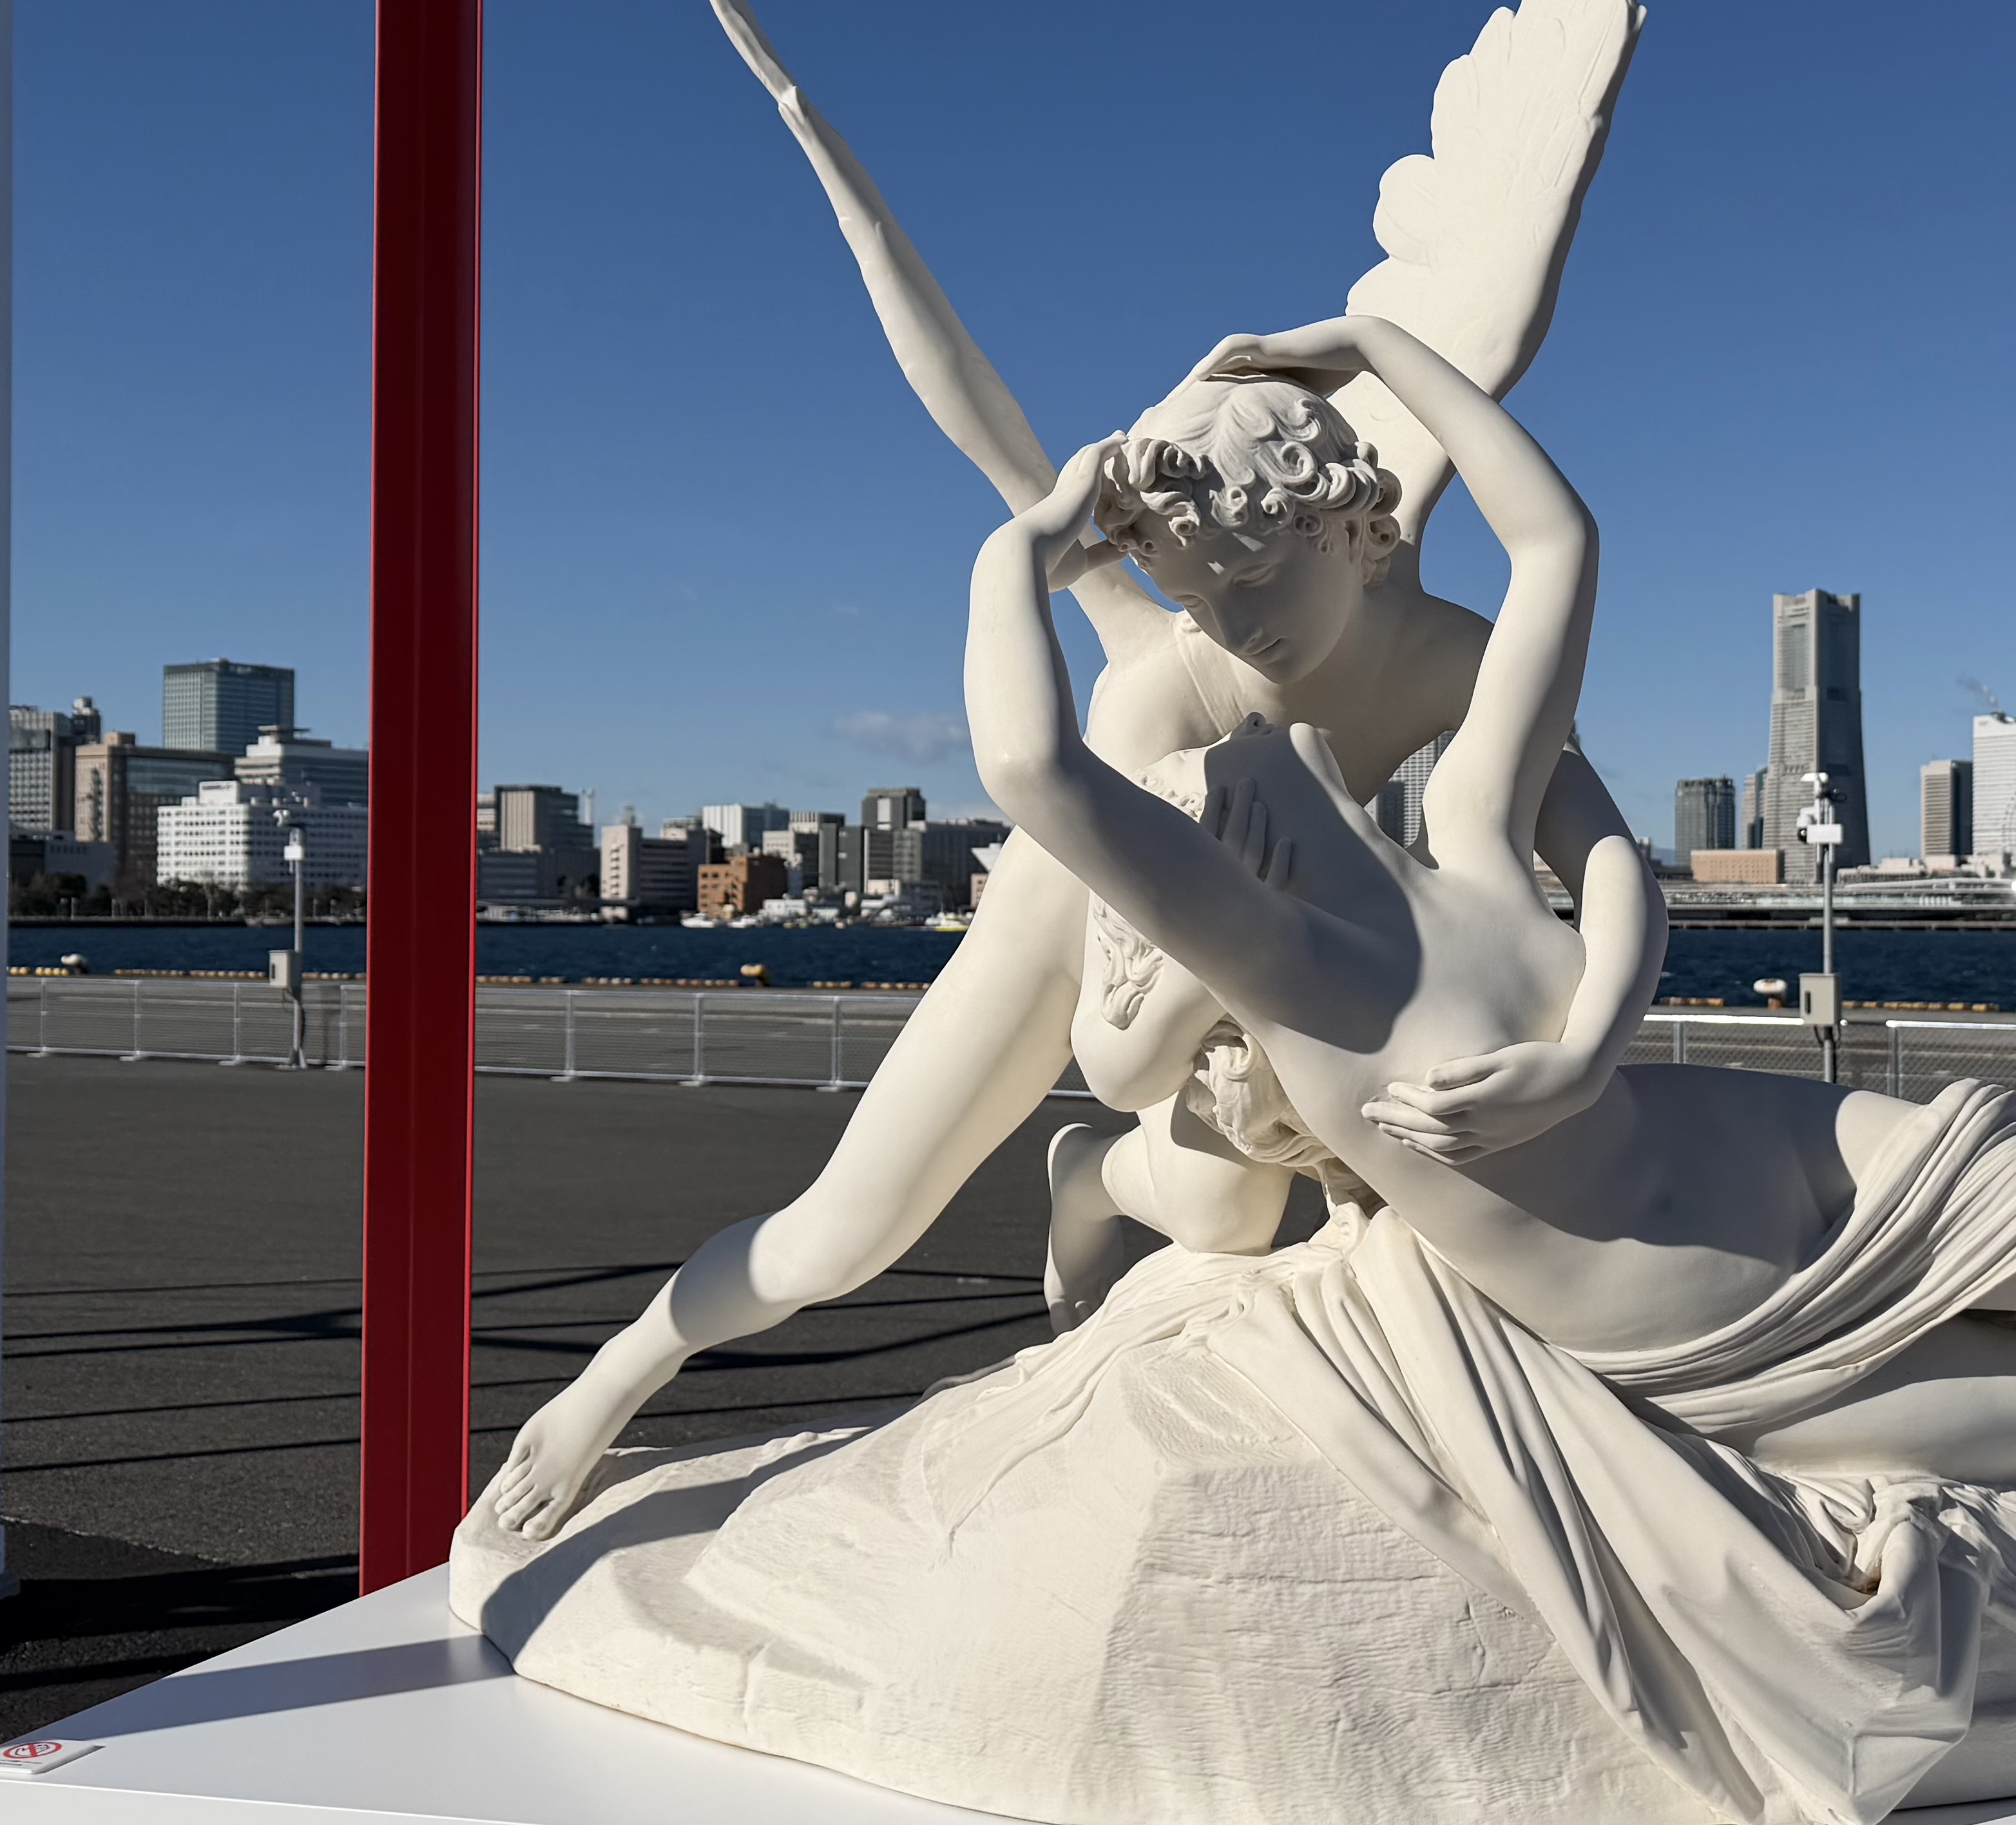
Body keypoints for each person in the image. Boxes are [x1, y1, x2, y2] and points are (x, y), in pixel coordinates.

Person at [968, 316, 2016, 1480]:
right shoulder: (1271, 958)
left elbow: (1556, 543)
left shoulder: (1467, 823)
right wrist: (1022, 550)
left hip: (1785, 1153)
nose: (1234, 703)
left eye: (1249, 588)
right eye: (1209, 780)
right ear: (1222, 854)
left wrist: (1373, 345)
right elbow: (1033, 771)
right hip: (1703, 1323)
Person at [484, 370, 1666, 1538]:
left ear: (1343, 524)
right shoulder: (1159, 701)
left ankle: (1094, 1176)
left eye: (1254, 575)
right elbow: (1120, 1049)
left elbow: (1604, 855)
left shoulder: (1455, 650)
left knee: (1223, 1217)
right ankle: (624, 1366)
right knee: (839, 1235)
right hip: (1087, 903)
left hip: (1237, 915)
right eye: (1194, 596)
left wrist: (1582, 1058)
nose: (1236, 623)